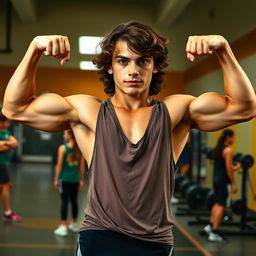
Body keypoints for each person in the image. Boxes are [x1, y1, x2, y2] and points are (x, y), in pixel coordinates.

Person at [2, 21, 255, 255]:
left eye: (142, 61)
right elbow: (15, 109)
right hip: (99, 238)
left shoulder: (175, 112)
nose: (133, 70)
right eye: (123, 61)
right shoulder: (88, 112)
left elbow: (245, 108)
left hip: (155, 243)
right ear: (110, 67)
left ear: (154, 66)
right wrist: (35, 49)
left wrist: (223, 48)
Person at [204, 129, 240, 242]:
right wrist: (234, 183)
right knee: (222, 205)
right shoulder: (228, 150)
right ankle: (214, 232)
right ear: (228, 137)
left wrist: (235, 167)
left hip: (216, 179)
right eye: (232, 137)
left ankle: (210, 226)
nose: (233, 140)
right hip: (223, 181)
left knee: (217, 203)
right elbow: (229, 169)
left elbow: (224, 166)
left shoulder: (218, 149)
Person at [54, 129, 85, 236]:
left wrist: (56, 179)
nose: (64, 135)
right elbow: (82, 167)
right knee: (74, 201)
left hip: (65, 179)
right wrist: (81, 179)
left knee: (64, 201)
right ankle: (75, 224)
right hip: (75, 179)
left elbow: (59, 165)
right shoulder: (81, 148)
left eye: (65, 133)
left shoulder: (63, 148)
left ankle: (63, 226)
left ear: (69, 135)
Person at [0, 113, 22, 221]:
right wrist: (8, 144)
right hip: (1, 164)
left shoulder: (5, 132)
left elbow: (16, 143)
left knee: (6, 185)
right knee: (6, 185)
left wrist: (4, 143)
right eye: (7, 122)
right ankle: (7, 212)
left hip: (4, 163)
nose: (9, 124)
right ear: (1, 122)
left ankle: (7, 212)